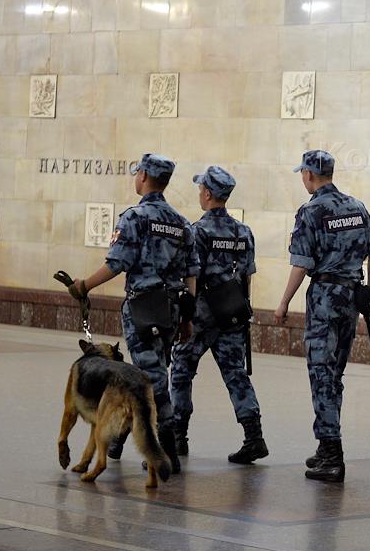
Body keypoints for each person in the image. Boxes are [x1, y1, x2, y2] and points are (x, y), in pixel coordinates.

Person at [69, 153, 199, 474]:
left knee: (150, 379)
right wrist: (187, 317)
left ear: (143, 176)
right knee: (153, 371)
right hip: (171, 310)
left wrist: (84, 285)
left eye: (137, 172)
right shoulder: (182, 223)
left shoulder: (135, 218)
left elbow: (117, 263)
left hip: (143, 309)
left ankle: (166, 450)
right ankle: (119, 439)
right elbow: (191, 274)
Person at [275, 149, 370, 483]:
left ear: (308, 174)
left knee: (321, 374)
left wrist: (283, 303)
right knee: (334, 374)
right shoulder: (357, 207)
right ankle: (325, 445)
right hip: (351, 299)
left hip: (324, 299)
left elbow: (301, 264)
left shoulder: (310, 212)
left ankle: (332, 455)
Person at [169, 166, 268, 465]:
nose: (199, 193)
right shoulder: (244, 232)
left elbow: (191, 276)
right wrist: (242, 311)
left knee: (182, 371)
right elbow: (247, 277)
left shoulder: (196, 231)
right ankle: (254, 437)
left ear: (209, 194)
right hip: (232, 314)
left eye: (201, 189)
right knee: (236, 374)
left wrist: (184, 316)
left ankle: (178, 437)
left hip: (201, 315)